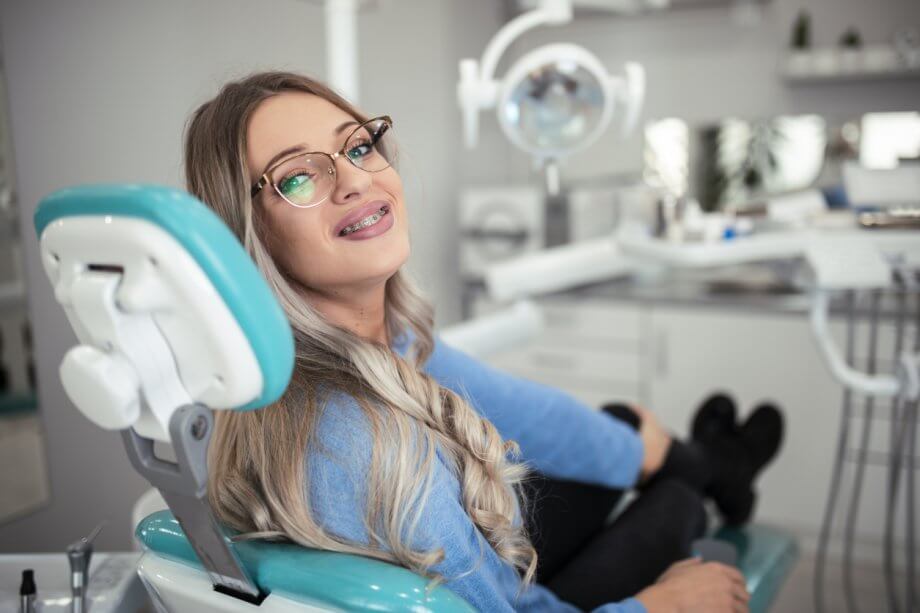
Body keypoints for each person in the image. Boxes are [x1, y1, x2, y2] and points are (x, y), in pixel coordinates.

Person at [184, 71, 782, 613]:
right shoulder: (371, 448)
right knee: (675, 502)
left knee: (619, 428)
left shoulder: (367, 352)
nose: (353, 181)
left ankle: (717, 465)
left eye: (358, 146)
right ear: (247, 233)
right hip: (519, 597)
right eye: (297, 176)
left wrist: (638, 438)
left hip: (502, 573)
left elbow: (528, 411)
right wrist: (660, 607)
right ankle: (717, 470)